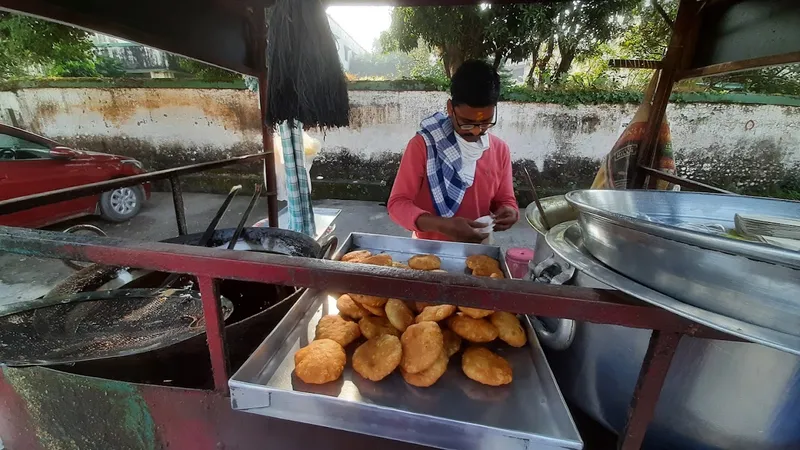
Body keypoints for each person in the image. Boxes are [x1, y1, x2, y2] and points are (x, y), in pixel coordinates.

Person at [387, 60, 519, 243]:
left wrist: (510, 211)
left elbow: (505, 200)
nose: (475, 131)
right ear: (450, 108)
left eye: (485, 122)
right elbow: (397, 205)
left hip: (479, 250)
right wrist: (442, 225)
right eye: (466, 122)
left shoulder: (499, 150)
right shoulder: (423, 146)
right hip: (427, 251)